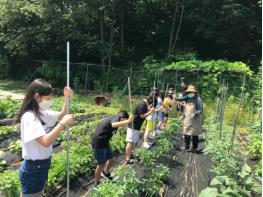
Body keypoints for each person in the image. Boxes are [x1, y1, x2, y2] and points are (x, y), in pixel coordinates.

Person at [17, 79, 74, 197]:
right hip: (33, 169)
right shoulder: (29, 117)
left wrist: (66, 98)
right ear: (37, 96)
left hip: (42, 165)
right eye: (48, 98)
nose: (49, 101)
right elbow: (45, 142)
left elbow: (62, 114)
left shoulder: (42, 112)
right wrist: (62, 124)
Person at [91, 111, 134, 187]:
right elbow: (112, 125)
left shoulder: (115, 118)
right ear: (122, 118)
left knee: (111, 159)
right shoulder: (115, 119)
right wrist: (128, 121)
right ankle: (97, 183)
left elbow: (112, 127)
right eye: (125, 120)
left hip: (105, 142)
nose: (125, 124)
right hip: (99, 143)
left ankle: (106, 172)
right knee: (100, 164)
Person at [125, 95, 155, 164]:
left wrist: (149, 109)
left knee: (133, 142)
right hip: (133, 125)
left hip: (136, 126)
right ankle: (128, 159)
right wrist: (150, 112)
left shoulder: (144, 104)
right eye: (150, 104)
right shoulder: (142, 104)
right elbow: (142, 116)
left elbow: (143, 112)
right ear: (149, 101)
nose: (150, 105)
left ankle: (130, 155)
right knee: (130, 142)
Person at [182, 85, 203, 152]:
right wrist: (183, 115)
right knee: (186, 133)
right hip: (188, 119)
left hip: (195, 119)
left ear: (194, 92)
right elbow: (186, 109)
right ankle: (186, 147)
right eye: (189, 92)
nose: (190, 93)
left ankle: (194, 148)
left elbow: (200, 109)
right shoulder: (188, 98)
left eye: (191, 92)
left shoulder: (198, 99)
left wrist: (194, 113)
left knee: (194, 134)